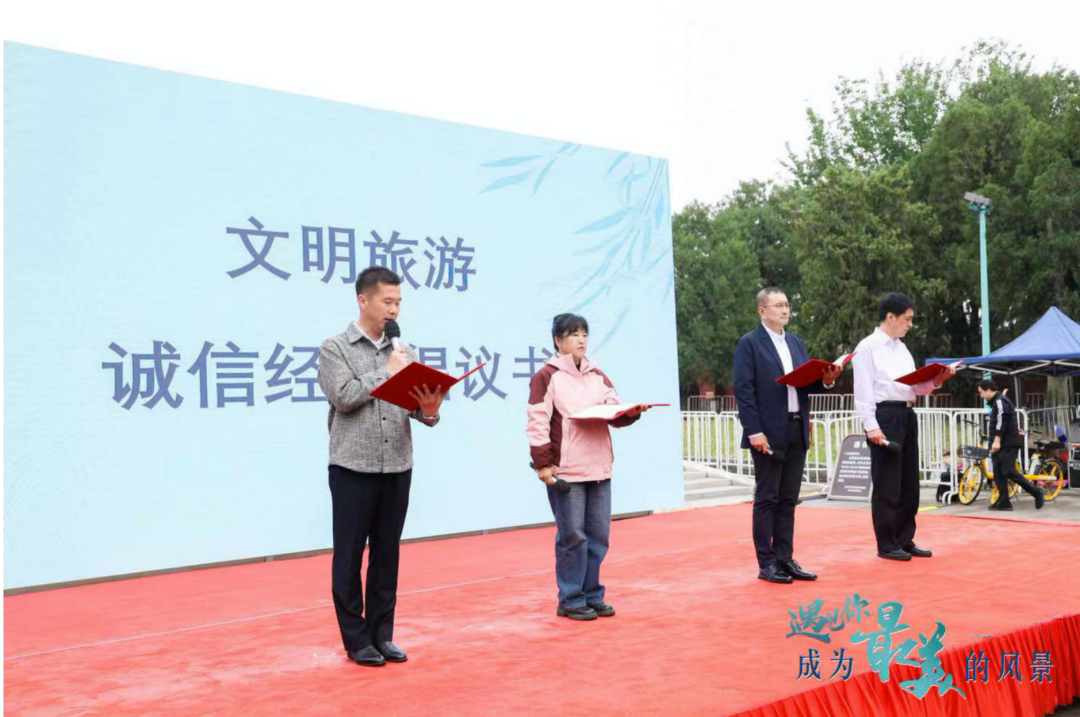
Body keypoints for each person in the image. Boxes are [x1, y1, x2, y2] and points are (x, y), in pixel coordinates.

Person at [317, 266, 445, 667]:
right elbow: (343, 397)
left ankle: (381, 635)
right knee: (350, 556)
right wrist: (385, 371)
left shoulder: (403, 351)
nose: (394, 310)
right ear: (363, 300)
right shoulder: (335, 348)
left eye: (398, 302)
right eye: (387, 302)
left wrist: (428, 411)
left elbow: (413, 409)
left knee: (387, 555)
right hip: (353, 467)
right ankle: (356, 640)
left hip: (397, 465)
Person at [525, 313, 648, 620]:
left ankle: (592, 594)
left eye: (584, 334)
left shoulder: (597, 375)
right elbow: (537, 422)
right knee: (572, 537)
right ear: (558, 340)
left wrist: (632, 412)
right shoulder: (547, 376)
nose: (581, 340)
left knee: (598, 537)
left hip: (599, 467)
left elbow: (613, 412)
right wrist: (543, 464)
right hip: (567, 471)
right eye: (573, 335)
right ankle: (570, 598)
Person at [733, 288, 840, 584]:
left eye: (787, 304)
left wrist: (826, 380)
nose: (784, 310)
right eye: (778, 305)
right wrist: (754, 431)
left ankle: (784, 558)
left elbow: (805, 385)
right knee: (768, 497)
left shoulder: (795, 342)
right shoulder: (749, 344)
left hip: (796, 426)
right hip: (767, 432)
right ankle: (766, 563)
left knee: (788, 498)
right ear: (762, 310)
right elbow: (744, 392)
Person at [852, 292, 954, 561]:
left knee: (908, 481)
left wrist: (937, 380)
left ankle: (904, 538)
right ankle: (886, 543)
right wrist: (871, 426)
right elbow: (862, 392)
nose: (910, 324)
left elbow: (914, 387)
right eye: (907, 319)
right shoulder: (867, 347)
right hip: (884, 415)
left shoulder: (903, 349)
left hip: (907, 413)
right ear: (890, 317)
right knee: (887, 481)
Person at [977, 379, 1045, 511]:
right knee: (998, 473)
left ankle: (1036, 492)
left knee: (1008, 471)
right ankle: (1004, 501)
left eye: (981, 392)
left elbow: (1001, 421)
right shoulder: (998, 402)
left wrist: (996, 441)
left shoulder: (1000, 401)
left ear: (988, 389)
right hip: (1002, 442)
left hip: (1007, 443)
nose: (981, 396)